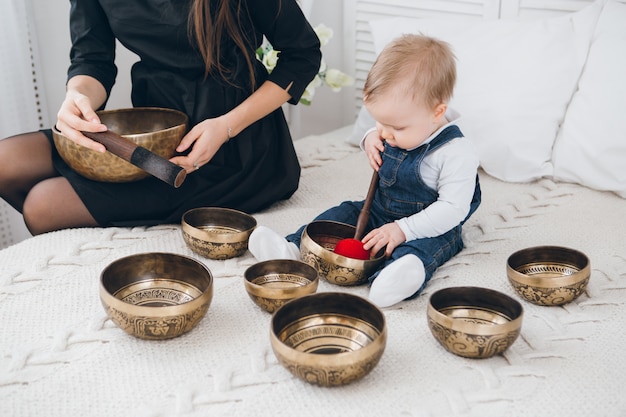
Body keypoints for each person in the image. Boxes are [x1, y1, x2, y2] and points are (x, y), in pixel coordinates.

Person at [0, 0, 321, 235]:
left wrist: (225, 126)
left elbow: (302, 55)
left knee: (42, 206)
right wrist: (78, 96)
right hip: (157, 130)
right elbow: (92, 58)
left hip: (235, 145)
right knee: (6, 162)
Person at [248, 34, 481, 308]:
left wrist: (403, 230)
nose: (386, 133)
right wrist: (370, 137)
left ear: (437, 112)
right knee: (341, 214)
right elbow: (382, 131)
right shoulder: (395, 127)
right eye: (379, 121)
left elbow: (453, 209)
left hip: (429, 226)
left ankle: (398, 277)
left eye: (396, 127)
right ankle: (292, 247)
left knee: (423, 250)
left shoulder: (456, 152)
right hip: (379, 211)